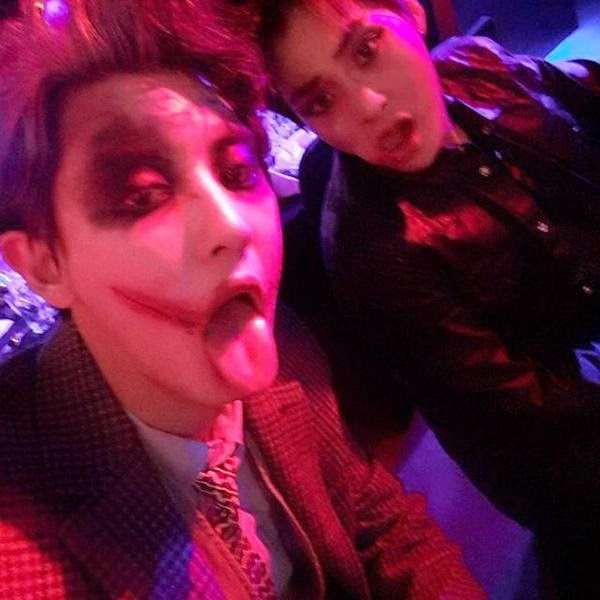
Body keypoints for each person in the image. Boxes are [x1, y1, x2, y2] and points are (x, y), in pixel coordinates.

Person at [0, 0, 484, 598]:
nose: (231, 225)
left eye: (237, 174)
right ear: (43, 264)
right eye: (142, 196)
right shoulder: (21, 543)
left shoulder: (285, 345)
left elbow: (377, 520)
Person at [249, 0, 600, 595]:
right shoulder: (374, 253)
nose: (368, 105)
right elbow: (532, 420)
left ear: (411, 13)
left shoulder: (477, 64)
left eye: (367, 51)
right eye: (321, 101)